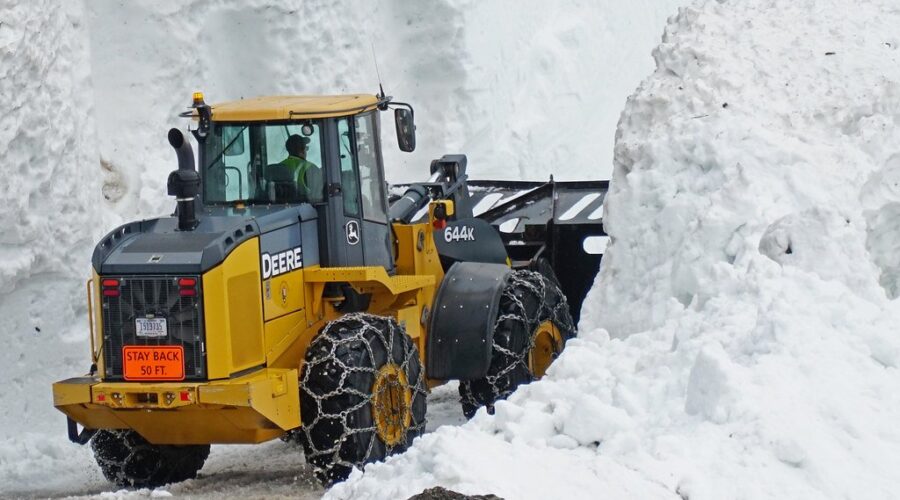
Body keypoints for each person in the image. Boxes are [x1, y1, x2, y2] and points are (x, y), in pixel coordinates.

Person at [280, 134, 323, 201]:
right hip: (302, 208)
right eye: (306, 148)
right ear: (302, 151)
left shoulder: (279, 166)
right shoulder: (310, 168)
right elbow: (318, 197)